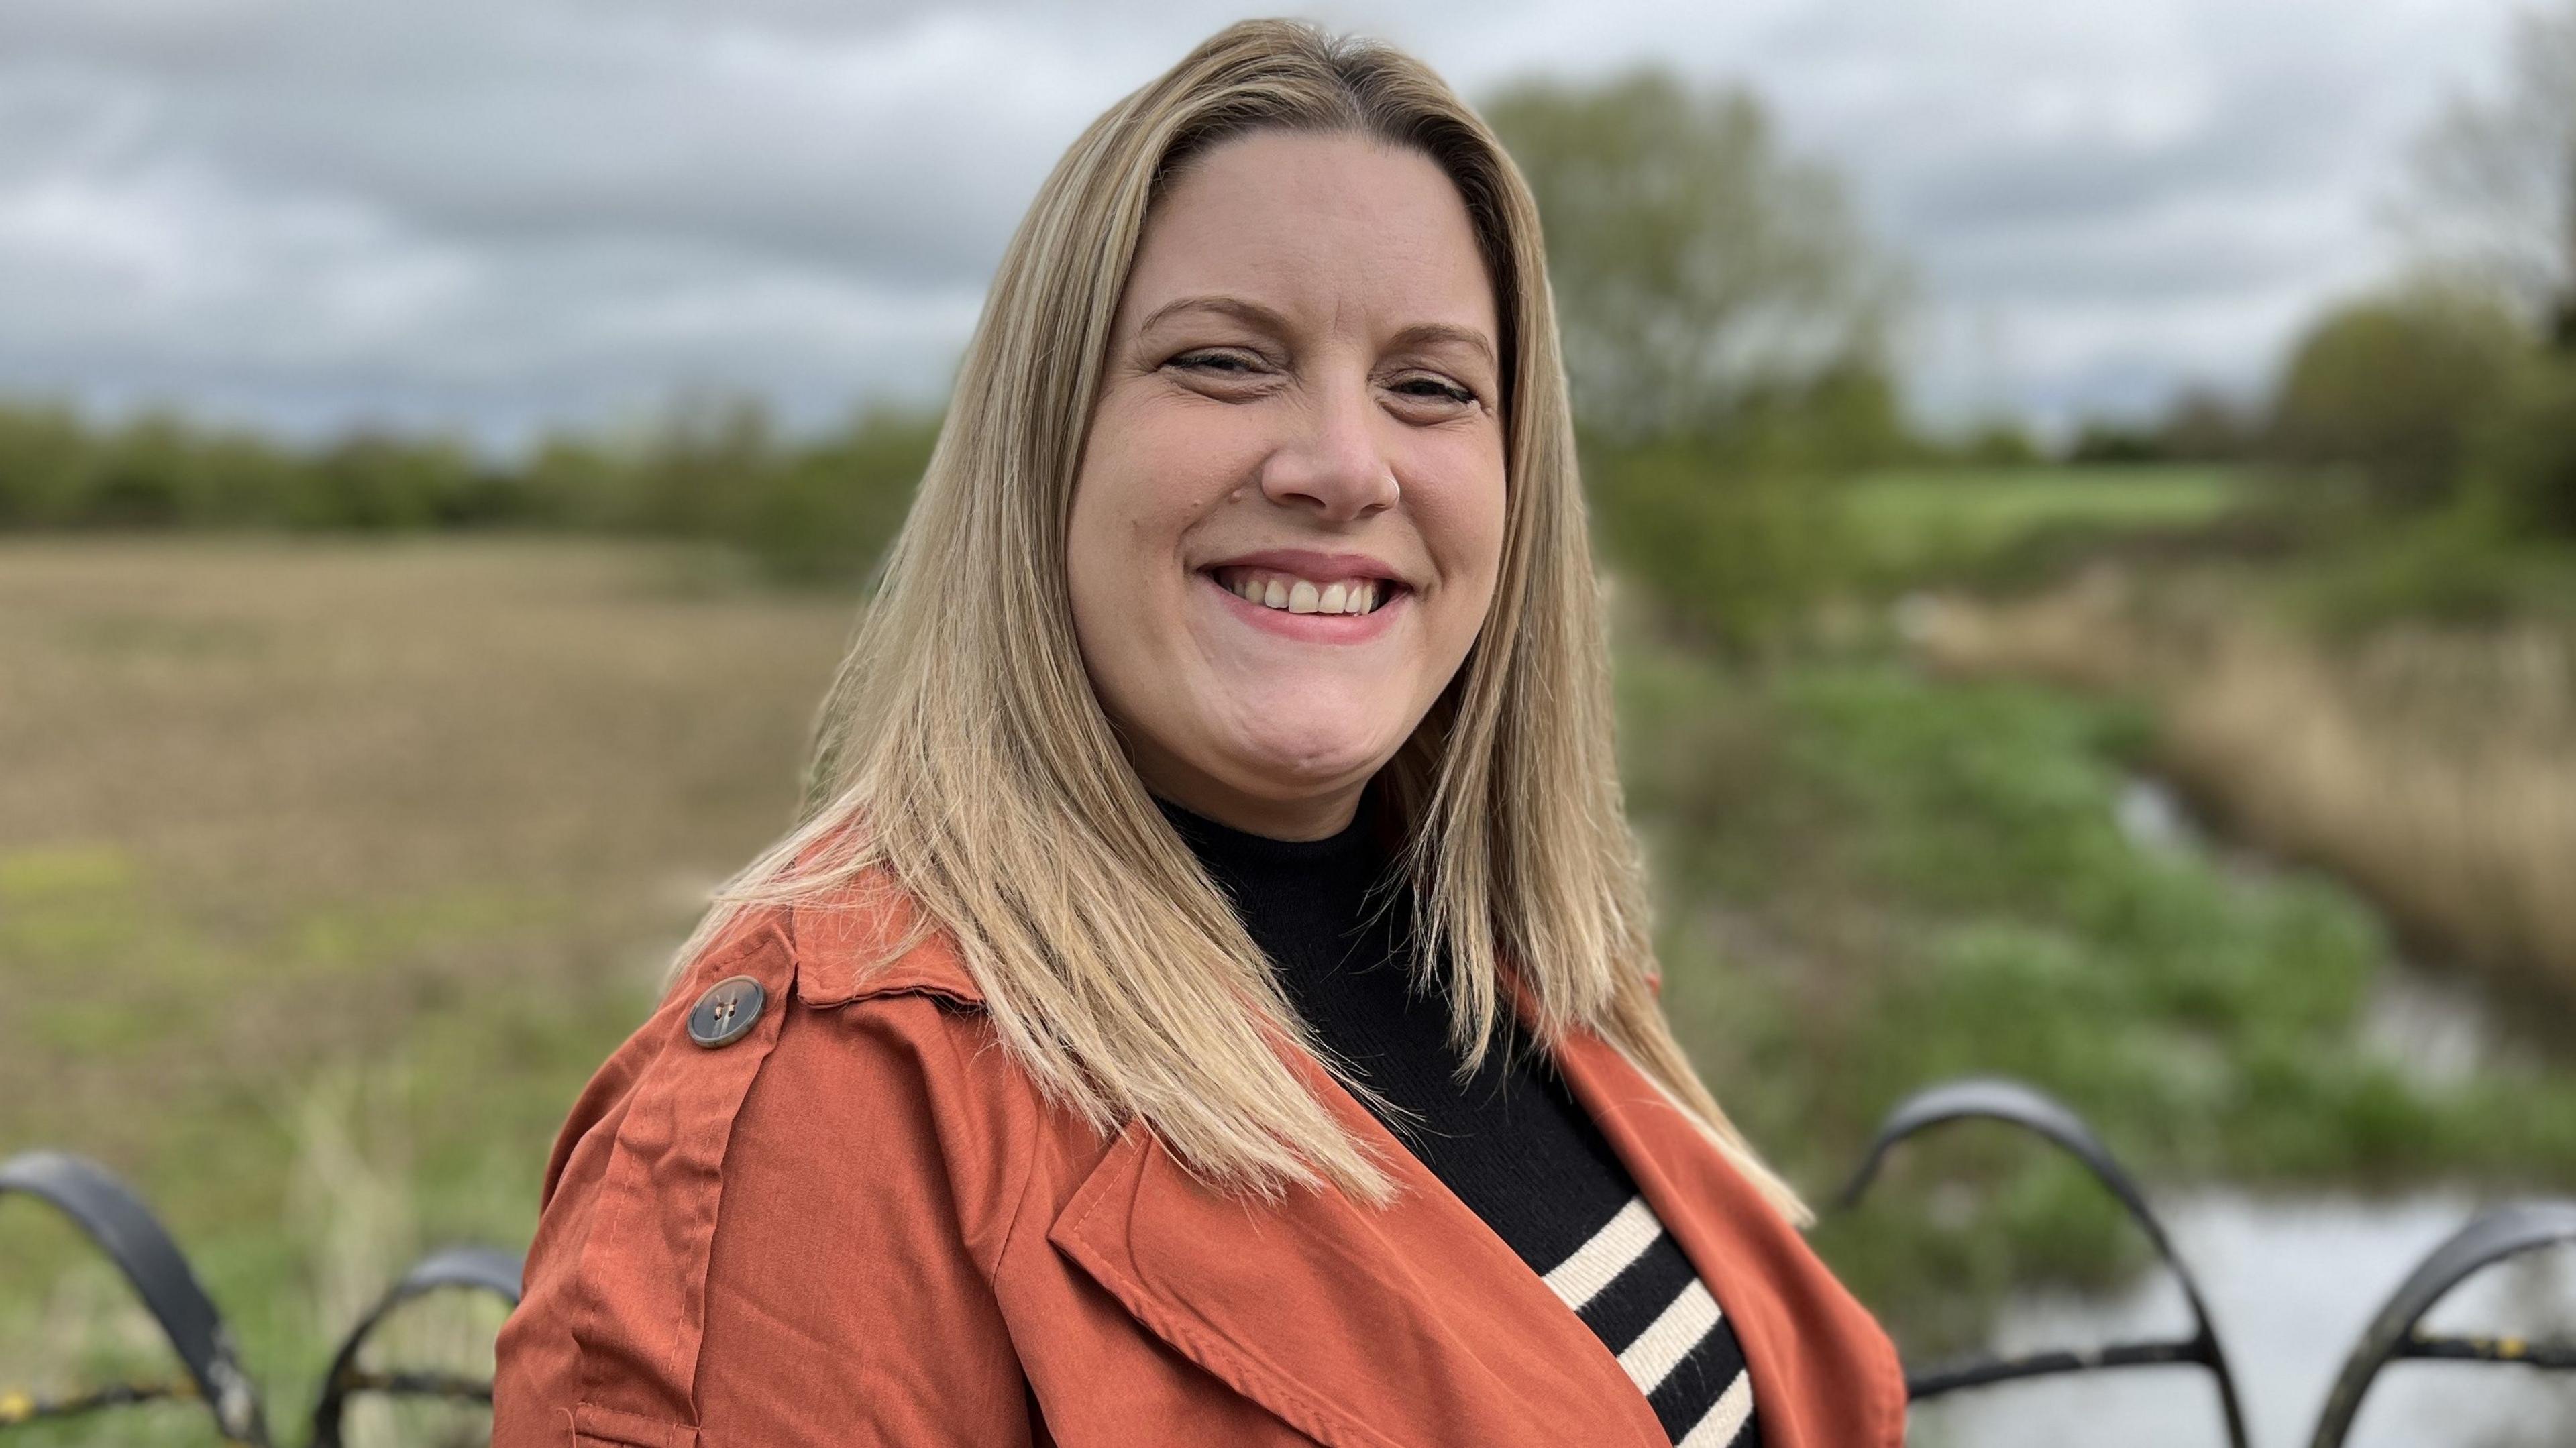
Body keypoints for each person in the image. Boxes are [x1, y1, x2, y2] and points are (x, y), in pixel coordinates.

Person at [491, 17, 1902, 1448]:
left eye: (1430, 386)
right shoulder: (834, 1105)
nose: (1345, 469)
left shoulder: (1515, 952)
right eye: (1227, 362)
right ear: (1049, 441)